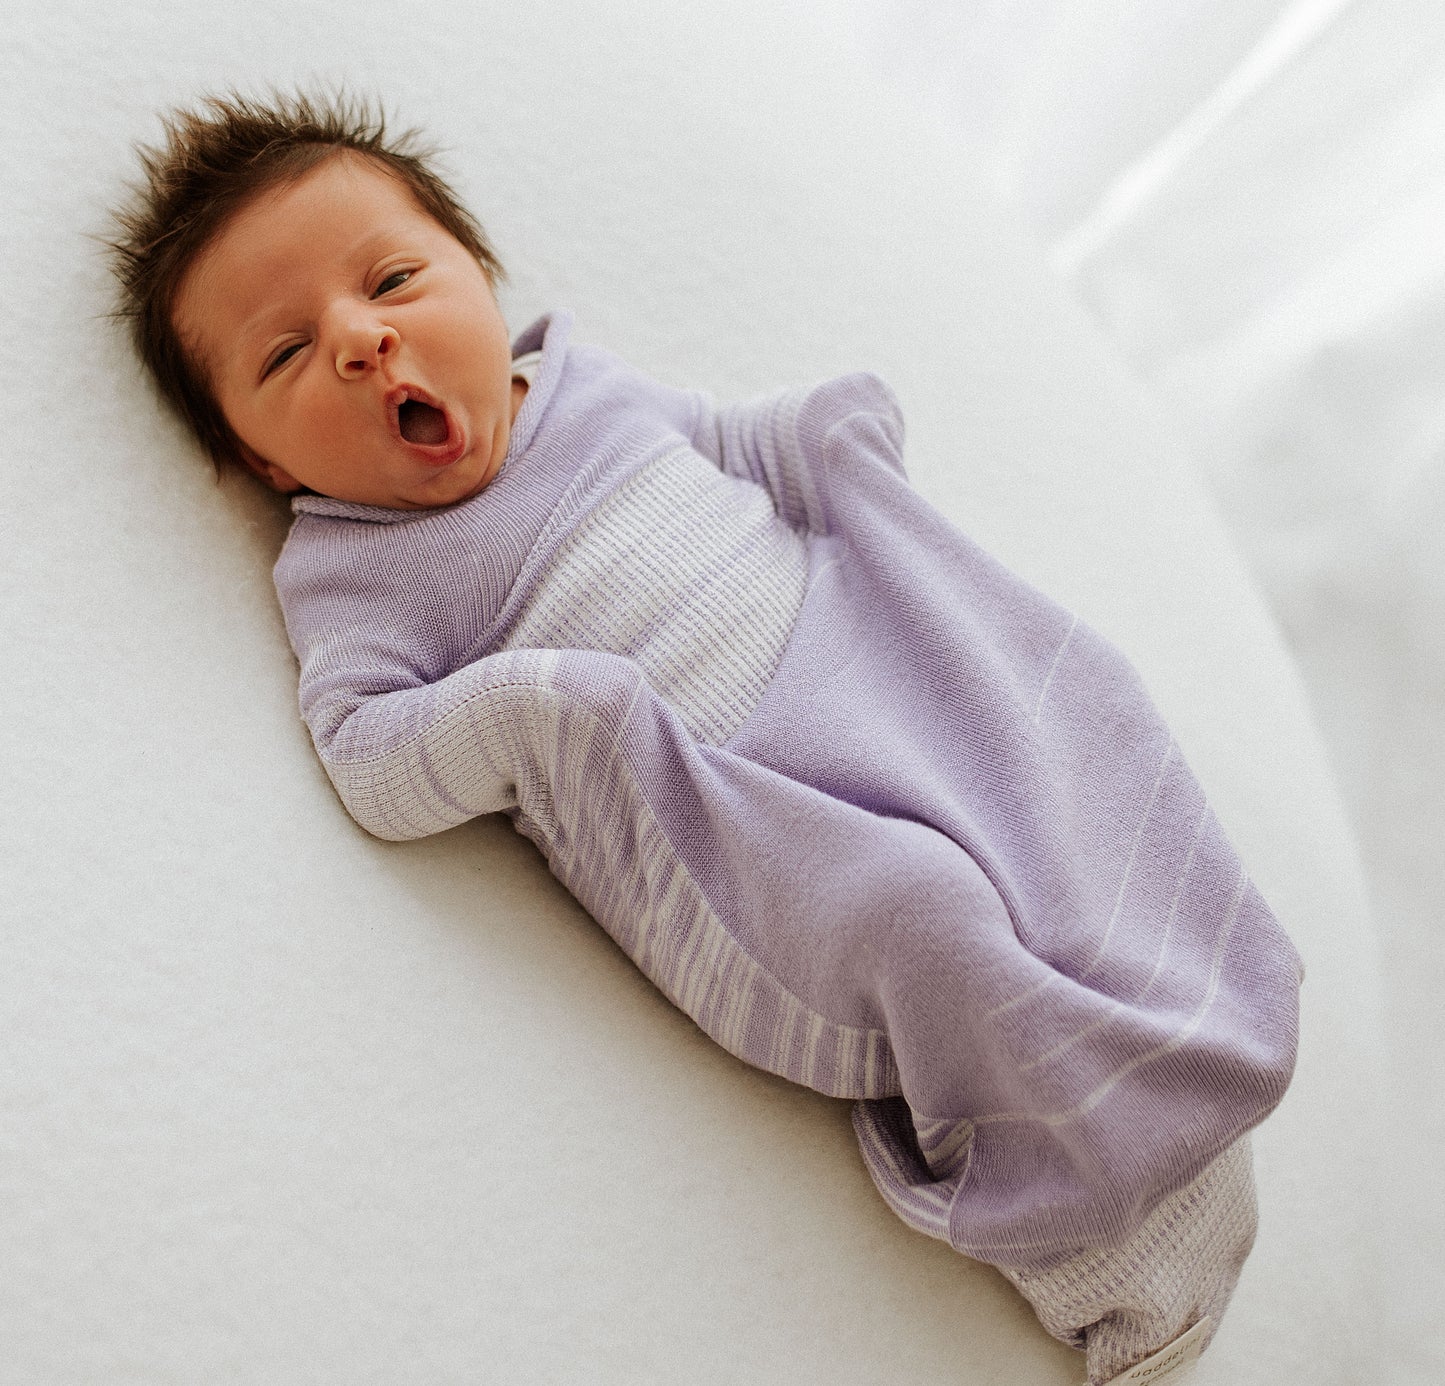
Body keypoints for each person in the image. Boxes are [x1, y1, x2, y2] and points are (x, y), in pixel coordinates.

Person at [110, 89, 1303, 1385]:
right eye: (284, 356)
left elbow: (708, 447)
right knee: (921, 912)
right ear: (265, 464)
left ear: (479, 274)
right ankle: (1103, 1239)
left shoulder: (572, 381)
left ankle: (1159, 1011)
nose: (359, 338)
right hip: (723, 809)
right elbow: (367, 756)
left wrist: (807, 436)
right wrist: (525, 703)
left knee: (1051, 718)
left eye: (394, 276)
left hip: (854, 648)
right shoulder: (354, 574)